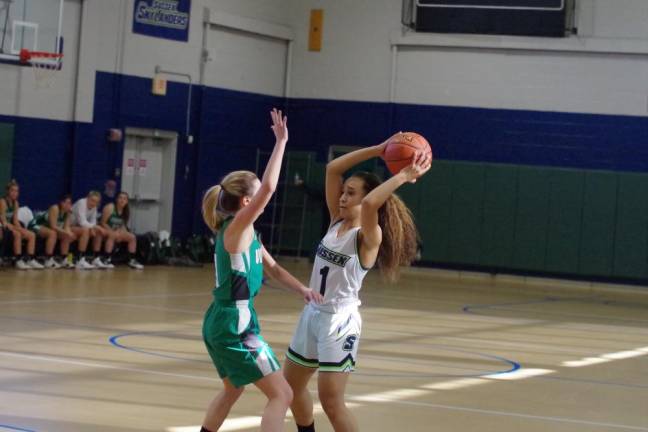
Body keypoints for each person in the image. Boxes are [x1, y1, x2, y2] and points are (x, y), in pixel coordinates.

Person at [283, 141, 431, 432]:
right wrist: (379, 149)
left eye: (351, 193)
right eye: (343, 191)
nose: (342, 197)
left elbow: (373, 203)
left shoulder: (367, 237)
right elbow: (333, 168)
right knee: (290, 387)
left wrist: (403, 175)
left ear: (363, 200)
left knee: (331, 401)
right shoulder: (335, 221)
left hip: (340, 321)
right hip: (312, 314)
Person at [199, 109, 323, 432]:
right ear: (244, 203)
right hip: (233, 323)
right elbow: (268, 188)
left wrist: (304, 291)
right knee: (282, 393)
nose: (263, 200)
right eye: (254, 196)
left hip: (223, 321)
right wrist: (281, 142)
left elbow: (274, 269)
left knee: (232, 389)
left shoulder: (248, 233)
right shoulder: (236, 229)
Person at [0, 179, 43, 269]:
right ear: (8, 191)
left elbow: (15, 220)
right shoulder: (2, 202)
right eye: (12, 190)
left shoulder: (16, 203)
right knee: (18, 234)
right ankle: (18, 260)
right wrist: (19, 230)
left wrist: (23, 230)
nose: (15, 193)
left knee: (31, 235)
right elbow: (4, 221)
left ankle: (29, 259)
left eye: (17, 191)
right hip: (2, 225)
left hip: (10, 225)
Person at [28, 194, 76, 269]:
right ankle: (48, 260)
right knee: (52, 234)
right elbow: (53, 226)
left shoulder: (68, 212)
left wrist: (69, 234)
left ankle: (65, 259)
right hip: (35, 225)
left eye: (70, 203)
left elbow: (66, 227)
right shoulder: (55, 208)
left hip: (47, 228)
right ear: (61, 203)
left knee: (68, 236)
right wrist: (66, 232)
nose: (69, 205)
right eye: (67, 203)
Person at [100, 191, 144, 269]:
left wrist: (123, 233)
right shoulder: (110, 207)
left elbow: (123, 225)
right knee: (113, 235)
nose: (122, 200)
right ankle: (106, 259)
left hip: (116, 231)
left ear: (127, 201)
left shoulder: (125, 211)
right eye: (120, 198)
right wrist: (113, 232)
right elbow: (103, 223)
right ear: (116, 199)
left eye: (125, 199)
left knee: (132, 237)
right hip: (105, 229)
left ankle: (132, 260)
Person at [71, 191, 108, 270]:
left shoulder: (94, 207)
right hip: (69, 226)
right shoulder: (81, 203)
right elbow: (82, 222)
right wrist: (94, 227)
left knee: (98, 231)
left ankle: (95, 259)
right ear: (87, 198)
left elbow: (93, 221)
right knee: (86, 230)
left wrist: (94, 228)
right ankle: (80, 260)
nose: (93, 203)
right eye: (92, 200)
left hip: (80, 227)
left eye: (96, 202)